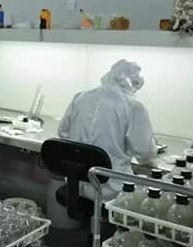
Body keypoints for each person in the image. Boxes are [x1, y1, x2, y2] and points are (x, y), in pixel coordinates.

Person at [58, 59, 157, 200]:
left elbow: (62, 133)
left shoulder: (80, 97)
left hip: (76, 184)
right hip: (111, 192)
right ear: (134, 83)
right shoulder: (133, 105)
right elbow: (145, 153)